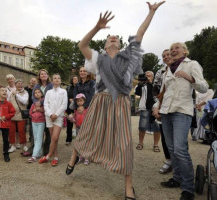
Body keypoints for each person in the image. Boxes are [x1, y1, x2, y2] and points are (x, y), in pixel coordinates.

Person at [66, 2, 165, 199]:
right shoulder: (97, 59)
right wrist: (97, 27)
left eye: (117, 38)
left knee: (124, 143)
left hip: (120, 103)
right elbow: (82, 45)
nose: (114, 38)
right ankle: (74, 157)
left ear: (121, 45)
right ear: (105, 45)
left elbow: (140, 33)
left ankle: (128, 186)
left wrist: (151, 12)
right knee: (86, 132)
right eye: (110, 37)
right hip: (100, 101)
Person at [153, 42, 209, 200]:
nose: (173, 50)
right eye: (171, 49)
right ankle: (176, 179)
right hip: (165, 112)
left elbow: (204, 87)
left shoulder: (192, 64)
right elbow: (163, 93)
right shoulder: (166, 71)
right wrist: (156, 106)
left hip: (181, 111)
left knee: (180, 149)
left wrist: (190, 78)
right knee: (171, 148)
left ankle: (188, 188)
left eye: (177, 48)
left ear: (185, 51)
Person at [39, 74, 67, 166]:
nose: (57, 79)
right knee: (53, 138)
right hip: (49, 117)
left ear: (60, 80)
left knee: (55, 137)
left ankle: (48, 156)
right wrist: (50, 114)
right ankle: (55, 157)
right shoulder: (48, 92)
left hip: (58, 117)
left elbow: (64, 105)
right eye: (55, 78)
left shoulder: (63, 91)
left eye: (58, 78)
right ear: (52, 80)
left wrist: (56, 114)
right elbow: (45, 104)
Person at [154, 49, 172, 174]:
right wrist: (156, 105)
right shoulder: (160, 72)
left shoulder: (183, 68)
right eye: (163, 56)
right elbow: (155, 89)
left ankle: (180, 164)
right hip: (163, 107)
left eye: (168, 55)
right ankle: (169, 161)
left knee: (178, 140)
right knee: (165, 137)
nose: (166, 57)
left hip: (178, 108)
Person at [135, 71, 161, 152]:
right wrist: (140, 84)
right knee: (142, 126)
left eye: (149, 76)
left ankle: (156, 145)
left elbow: (157, 93)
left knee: (157, 127)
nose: (147, 77)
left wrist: (150, 82)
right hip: (145, 108)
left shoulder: (155, 84)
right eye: (146, 75)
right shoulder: (142, 84)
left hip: (155, 107)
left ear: (152, 77)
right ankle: (140, 143)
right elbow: (137, 93)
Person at [32, 69, 53, 155]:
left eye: (45, 74)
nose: (43, 75)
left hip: (48, 109)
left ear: (47, 76)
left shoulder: (50, 85)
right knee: (38, 133)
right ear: (39, 76)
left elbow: (50, 97)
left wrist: (40, 102)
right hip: (38, 111)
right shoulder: (36, 85)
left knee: (48, 132)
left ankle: (46, 149)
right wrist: (35, 103)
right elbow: (33, 96)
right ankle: (37, 149)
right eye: (41, 74)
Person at [7, 79, 29, 153]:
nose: (20, 85)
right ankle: (13, 145)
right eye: (18, 83)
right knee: (11, 131)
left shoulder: (25, 92)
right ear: (15, 85)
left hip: (21, 115)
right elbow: (7, 101)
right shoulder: (10, 93)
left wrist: (16, 94)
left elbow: (24, 101)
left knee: (21, 130)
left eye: (21, 83)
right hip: (12, 115)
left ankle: (24, 145)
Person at [68, 93, 89, 165]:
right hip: (78, 128)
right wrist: (72, 118)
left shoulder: (87, 109)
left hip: (85, 128)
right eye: (78, 101)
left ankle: (87, 157)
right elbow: (75, 118)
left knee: (85, 142)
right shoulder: (75, 110)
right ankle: (81, 156)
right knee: (79, 142)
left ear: (84, 101)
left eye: (81, 100)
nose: (79, 102)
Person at [28, 88, 45, 163]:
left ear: (41, 94)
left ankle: (34, 155)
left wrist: (40, 109)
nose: (37, 93)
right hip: (34, 122)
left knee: (39, 137)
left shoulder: (44, 102)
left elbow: (45, 111)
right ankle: (39, 153)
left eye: (38, 92)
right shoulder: (33, 103)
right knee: (35, 137)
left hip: (41, 121)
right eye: (35, 93)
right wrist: (34, 111)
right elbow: (30, 112)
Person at [22, 77, 37, 157]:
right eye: (32, 80)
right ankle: (24, 143)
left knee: (31, 126)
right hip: (25, 109)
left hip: (33, 110)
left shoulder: (36, 90)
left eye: (34, 81)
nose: (33, 82)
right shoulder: (25, 89)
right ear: (30, 81)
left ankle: (31, 139)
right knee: (23, 127)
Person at [65, 75, 78, 145]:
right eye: (74, 79)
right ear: (72, 80)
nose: (75, 80)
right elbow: (65, 97)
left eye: (76, 79)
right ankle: (68, 140)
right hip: (69, 108)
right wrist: (69, 100)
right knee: (69, 125)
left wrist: (74, 100)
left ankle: (78, 141)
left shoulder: (79, 87)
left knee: (78, 124)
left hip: (77, 108)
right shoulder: (68, 88)